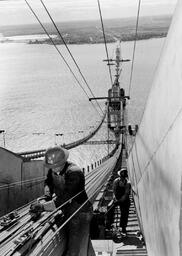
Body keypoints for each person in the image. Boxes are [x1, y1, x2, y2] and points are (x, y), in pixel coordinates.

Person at [31, 146, 95, 256]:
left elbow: (66, 198)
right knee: (72, 242)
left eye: (55, 166)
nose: (53, 169)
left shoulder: (74, 173)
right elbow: (48, 183)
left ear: (63, 161)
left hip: (80, 212)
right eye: (51, 166)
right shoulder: (54, 169)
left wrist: (43, 207)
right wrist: (46, 197)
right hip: (68, 209)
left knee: (75, 247)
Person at [113, 167, 131, 236]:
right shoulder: (116, 181)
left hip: (125, 200)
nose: (122, 178)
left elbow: (126, 194)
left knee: (124, 214)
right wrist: (115, 199)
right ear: (119, 176)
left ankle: (123, 228)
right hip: (117, 199)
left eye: (123, 177)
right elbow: (114, 191)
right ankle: (109, 224)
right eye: (121, 177)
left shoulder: (127, 183)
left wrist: (119, 201)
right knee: (109, 208)